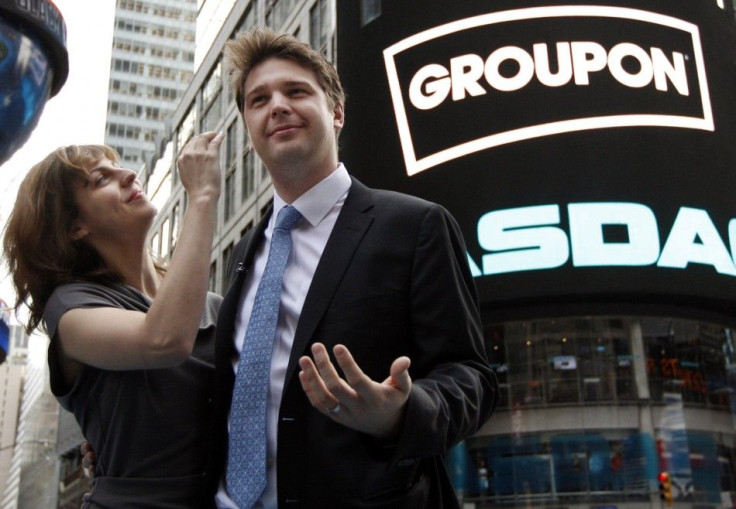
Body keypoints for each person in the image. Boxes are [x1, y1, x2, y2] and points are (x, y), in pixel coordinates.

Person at [207, 27, 498, 509]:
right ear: (249, 126)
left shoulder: (416, 225)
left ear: (336, 113)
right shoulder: (243, 253)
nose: (277, 105)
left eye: (296, 91)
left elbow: (472, 377)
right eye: (258, 100)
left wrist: (400, 413)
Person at [2, 132, 224, 508]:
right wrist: (202, 197)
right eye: (100, 179)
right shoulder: (70, 310)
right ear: (75, 228)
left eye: (117, 166)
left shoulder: (211, 305)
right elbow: (164, 340)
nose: (128, 175)